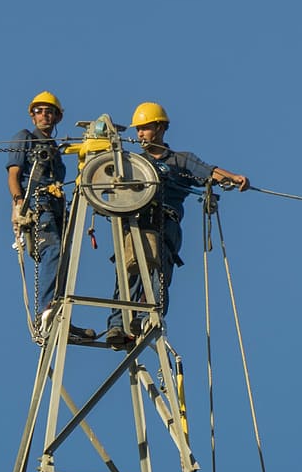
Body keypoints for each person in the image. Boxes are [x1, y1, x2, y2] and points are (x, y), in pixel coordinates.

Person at [105, 101, 250, 348]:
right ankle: (118, 326)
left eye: (145, 128)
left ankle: (147, 318)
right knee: (128, 275)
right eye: (138, 129)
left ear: (160, 128)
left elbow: (208, 172)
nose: (140, 134)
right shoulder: (132, 162)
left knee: (157, 275)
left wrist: (233, 178)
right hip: (135, 223)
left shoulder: (180, 160)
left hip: (165, 223)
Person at [7, 91, 93, 342]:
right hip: (38, 202)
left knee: (66, 261)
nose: (44, 115)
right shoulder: (24, 138)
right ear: (32, 115)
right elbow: (14, 175)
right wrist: (18, 203)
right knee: (52, 251)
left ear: (57, 116)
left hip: (57, 207)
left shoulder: (56, 148)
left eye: (49, 111)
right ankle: (47, 311)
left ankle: (62, 317)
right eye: (39, 110)